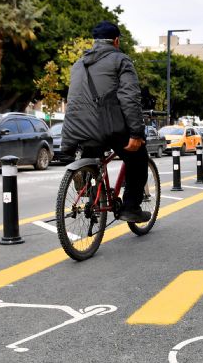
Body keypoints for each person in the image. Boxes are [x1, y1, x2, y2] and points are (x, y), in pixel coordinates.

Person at [61, 21, 150, 223]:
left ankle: (89, 183)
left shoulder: (79, 64)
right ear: (116, 41)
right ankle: (131, 208)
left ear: (94, 42)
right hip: (107, 127)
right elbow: (129, 98)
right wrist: (136, 133)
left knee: (93, 149)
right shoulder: (121, 60)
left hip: (75, 128)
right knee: (138, 158)